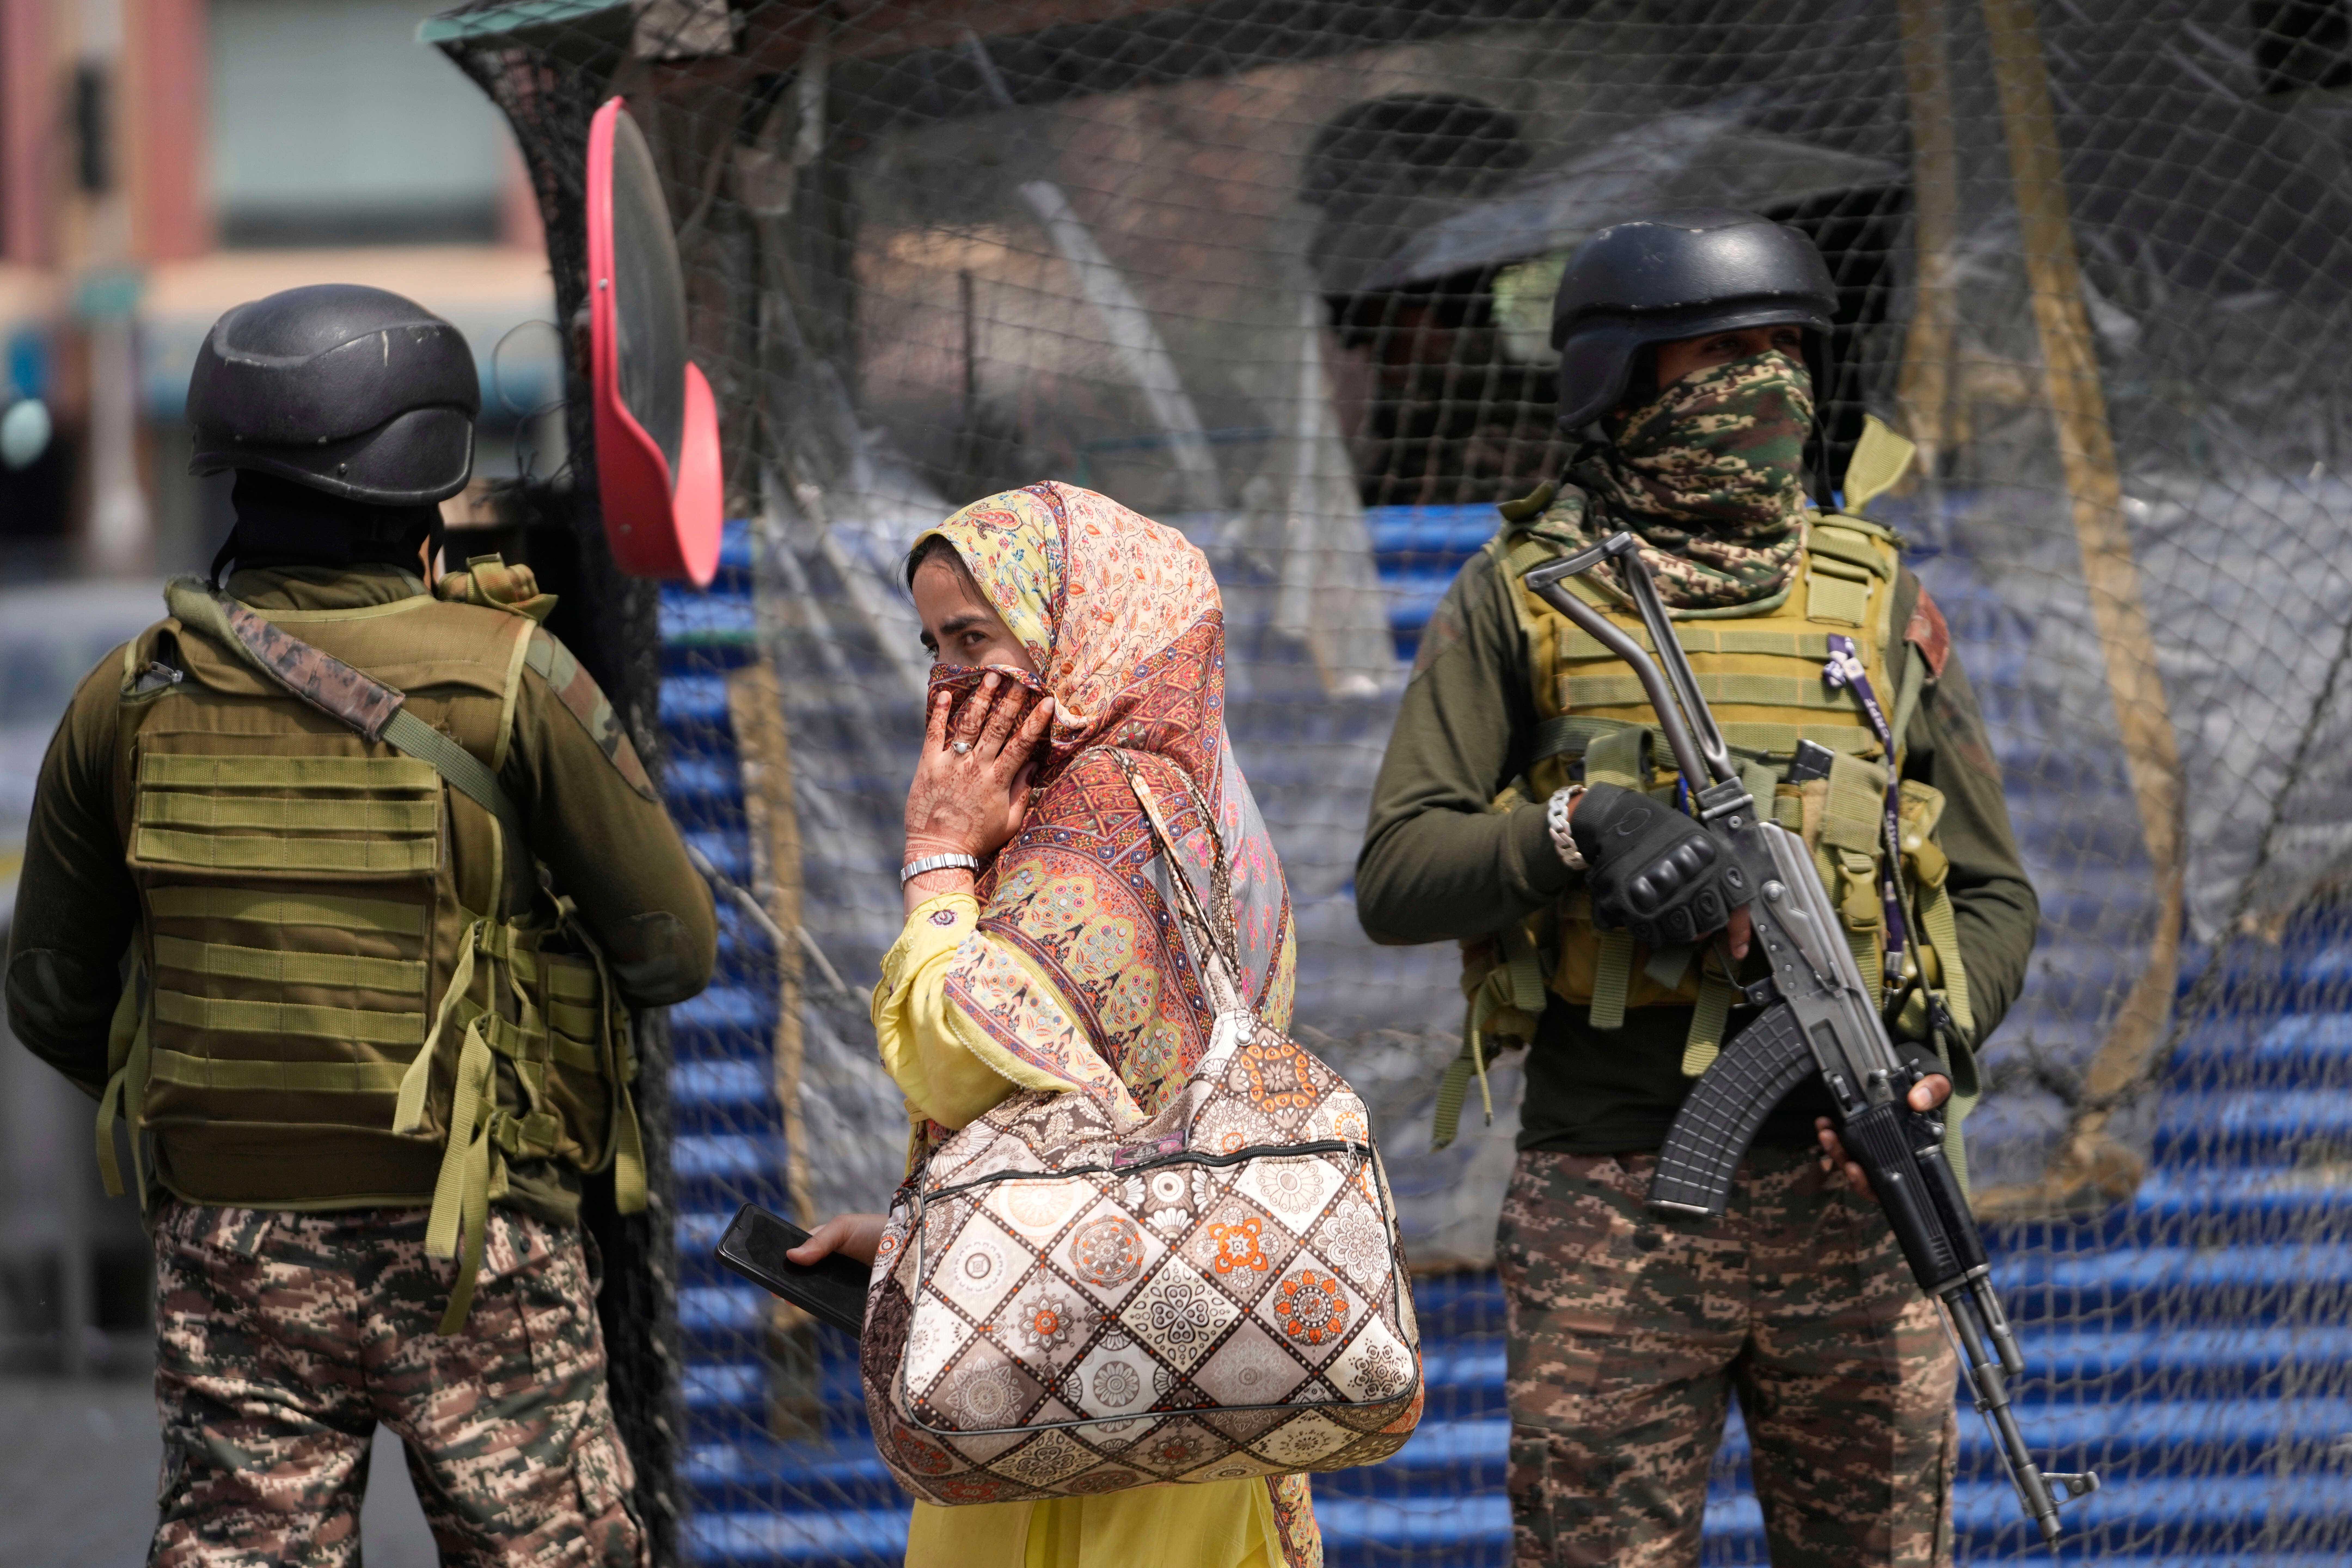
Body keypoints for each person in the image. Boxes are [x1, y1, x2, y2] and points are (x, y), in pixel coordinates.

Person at [1355, 210, 2039, 1566]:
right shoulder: (1524, 599)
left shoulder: (1875, 599)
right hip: (1613, 1201)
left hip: (1860, 1206)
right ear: (1622, 376)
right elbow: (1398, 871)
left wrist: (1928, 1044)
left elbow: (1992, 895)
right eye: (1723, 353)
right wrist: (1581, 831)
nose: (1769, 384)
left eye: (1788, 349)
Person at [2, 283, 716, 1566]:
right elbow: (674, 947)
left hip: (233, 1255)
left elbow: (51, 995)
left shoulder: (135, 694)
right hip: (477, 1241)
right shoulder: (511, 677)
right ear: (426, 466)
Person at [789, 481, 1324, 1568]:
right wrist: (911, 1242)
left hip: (1112, 1406)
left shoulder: (1108, 817)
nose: (950, 679)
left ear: (1079, 631)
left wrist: (938, 855)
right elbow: (1084, 1125)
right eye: (935, 643)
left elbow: (954, 1064)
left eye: (977, 637)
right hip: (1157, 1357)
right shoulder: (1195, 802)